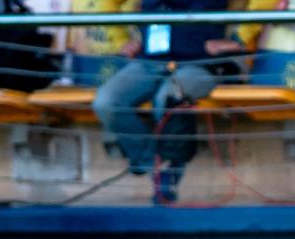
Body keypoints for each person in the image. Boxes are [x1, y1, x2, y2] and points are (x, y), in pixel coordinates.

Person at [91, 0, 242, 203]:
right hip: (149, 62)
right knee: (106, 101)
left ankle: (171, 173)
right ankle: (153, 165)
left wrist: (239, 39)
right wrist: (122, 39)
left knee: (168, 97)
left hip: (199, 64)